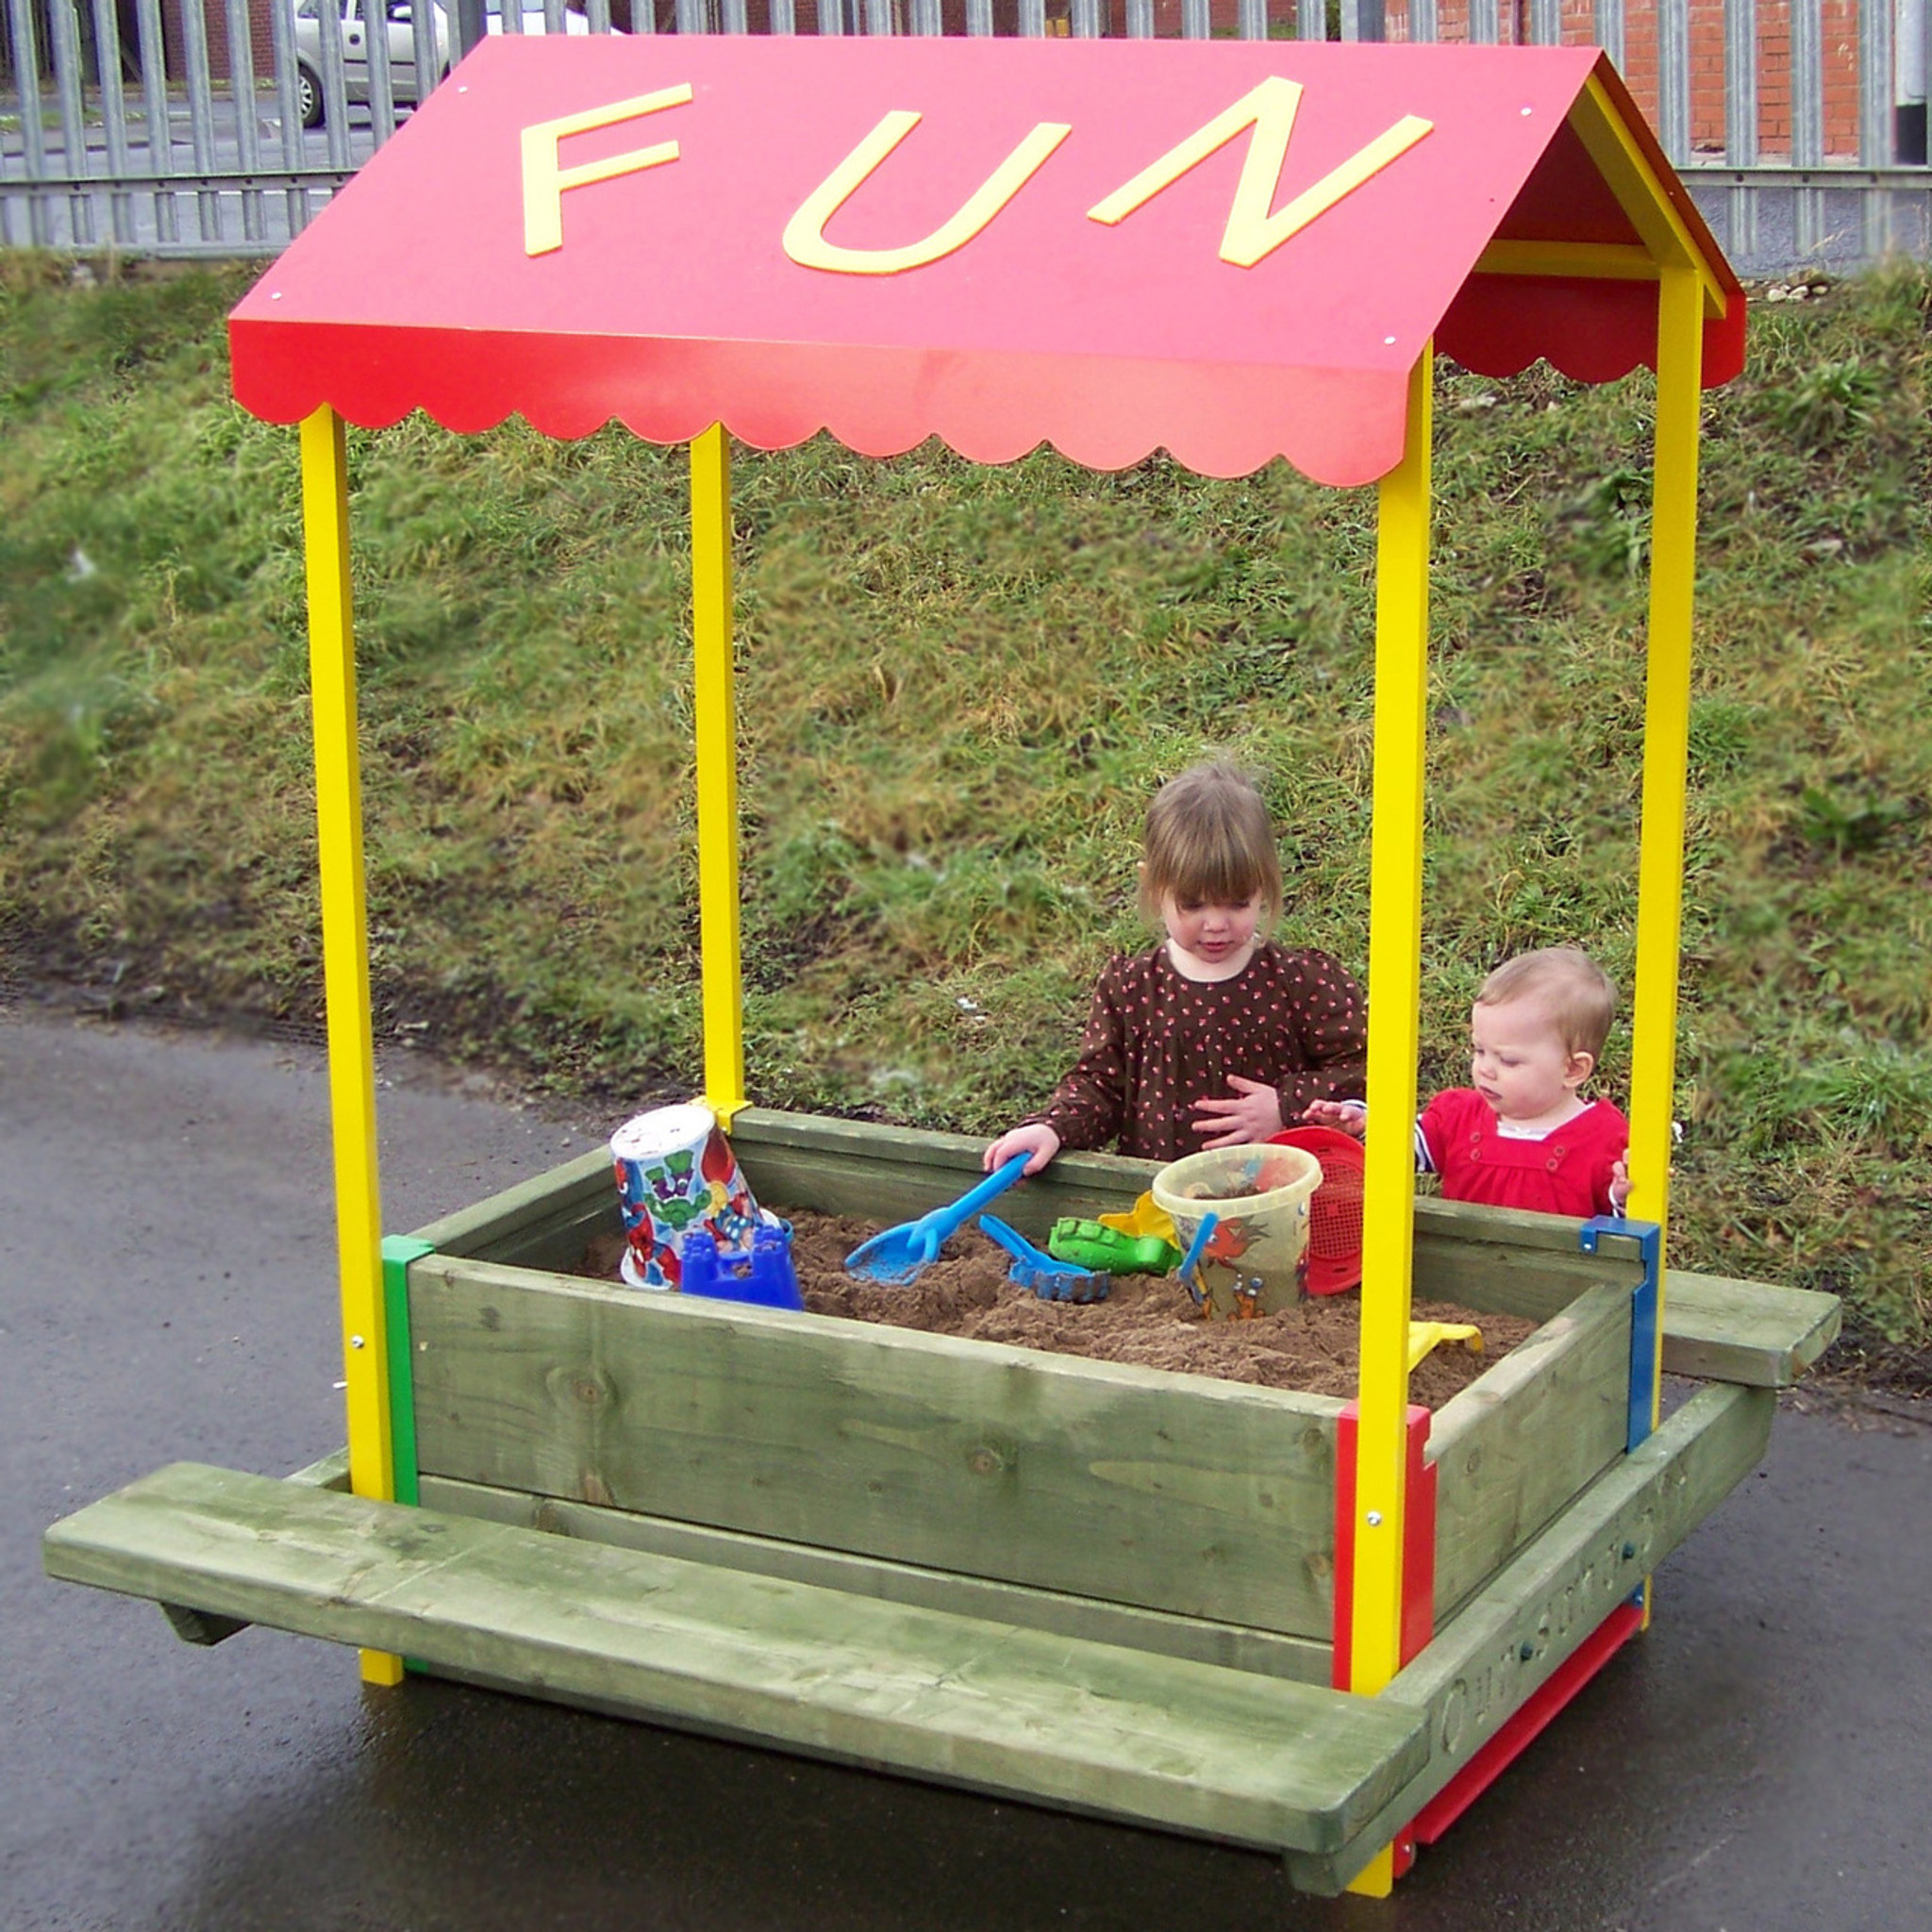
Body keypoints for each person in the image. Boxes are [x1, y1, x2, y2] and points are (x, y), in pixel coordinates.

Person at [982, 759, 1367, 1174]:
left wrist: (1285, 1106)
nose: (1216, 924)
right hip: (1159, 1210)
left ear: (1265, 885)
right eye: (1192, 904)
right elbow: (1100, 1088)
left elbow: (1365, 1070)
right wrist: (1052, 1128)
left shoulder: (1300, 982)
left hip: (1278, 1206)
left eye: (1238, 903)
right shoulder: (1130, 989)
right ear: (1153, 886)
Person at [1304, 945, 1630, 1218]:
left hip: (1558, 1286)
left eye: (1509, 1060)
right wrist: (1364, 1124)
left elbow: (1620, 1236)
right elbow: (1407, 1148)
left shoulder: (1605, 1139)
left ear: (1572, 1069)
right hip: (1458, 1279)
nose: (1485, 1068)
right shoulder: (1459, 1117)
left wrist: (1621, 1198)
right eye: (1479, 1050)